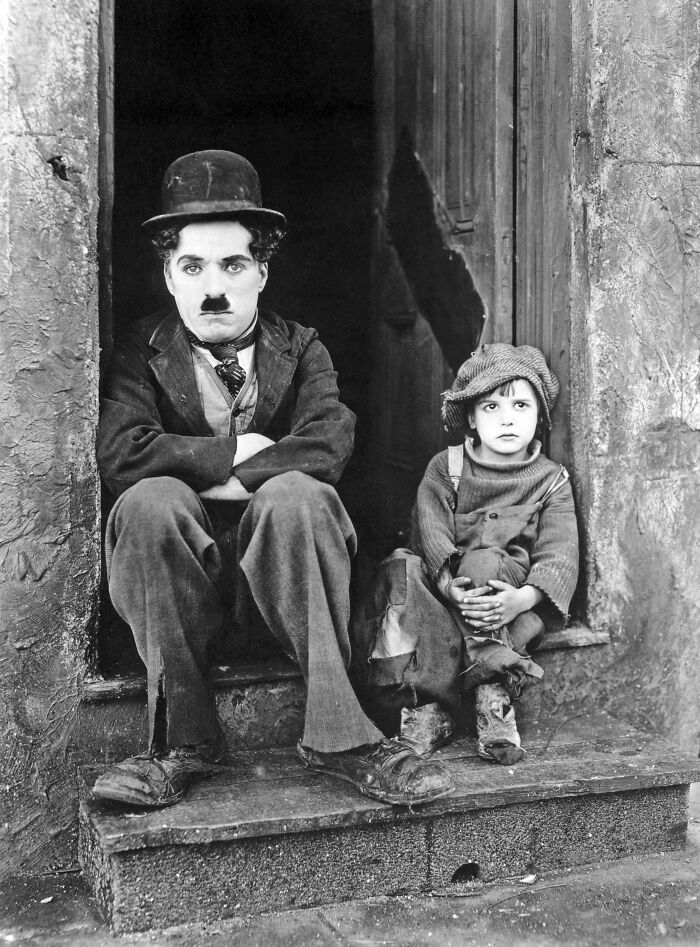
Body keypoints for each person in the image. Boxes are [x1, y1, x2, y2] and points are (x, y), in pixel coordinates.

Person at [92, 150, 453, 808]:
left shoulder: (302, 346)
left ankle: (340, 735)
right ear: (168, 274)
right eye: (192, 266)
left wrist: (241, 474)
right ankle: (184, 742)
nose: (213, 288)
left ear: (262, 268)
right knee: (149, 501)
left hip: (290, 598)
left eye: (232, 264)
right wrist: (238, 456)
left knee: (298, 494)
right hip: (178, 600)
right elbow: (121, 452)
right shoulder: (138, 352)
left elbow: (326, 446)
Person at [360, 343, 579, 762]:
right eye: (490, 407)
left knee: (482, 560)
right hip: (445, 593)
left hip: (502, 599)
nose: (508, 417)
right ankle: (431, 707)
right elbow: (430, 532)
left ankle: (492, 697)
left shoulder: (551, 480)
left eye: (520, 404)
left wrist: (523, 599)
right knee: (400, 567)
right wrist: (448, 586)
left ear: (540, 416)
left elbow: (560, 553)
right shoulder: (447, 467)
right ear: (473, 420)